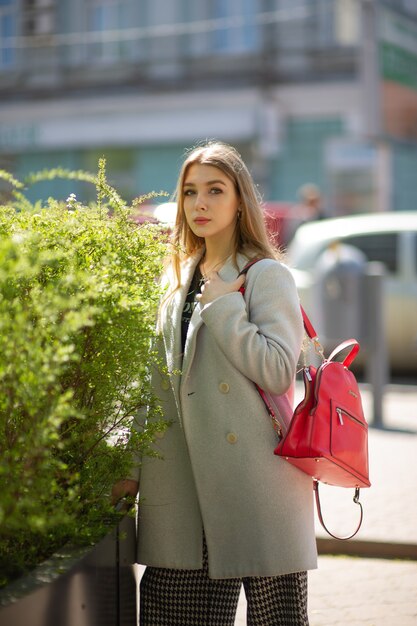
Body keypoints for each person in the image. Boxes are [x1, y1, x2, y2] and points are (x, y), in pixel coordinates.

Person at [112, 141, 317, 626]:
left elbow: (276, 370)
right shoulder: (175, 282)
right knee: (171, 614)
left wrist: (225, 307)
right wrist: (132, 467)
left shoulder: (265, 276)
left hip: (255, 484)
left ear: (240, 200)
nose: (199, 204)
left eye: (214, 190)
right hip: (181, 489)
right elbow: (153, 386)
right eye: (189, 192)